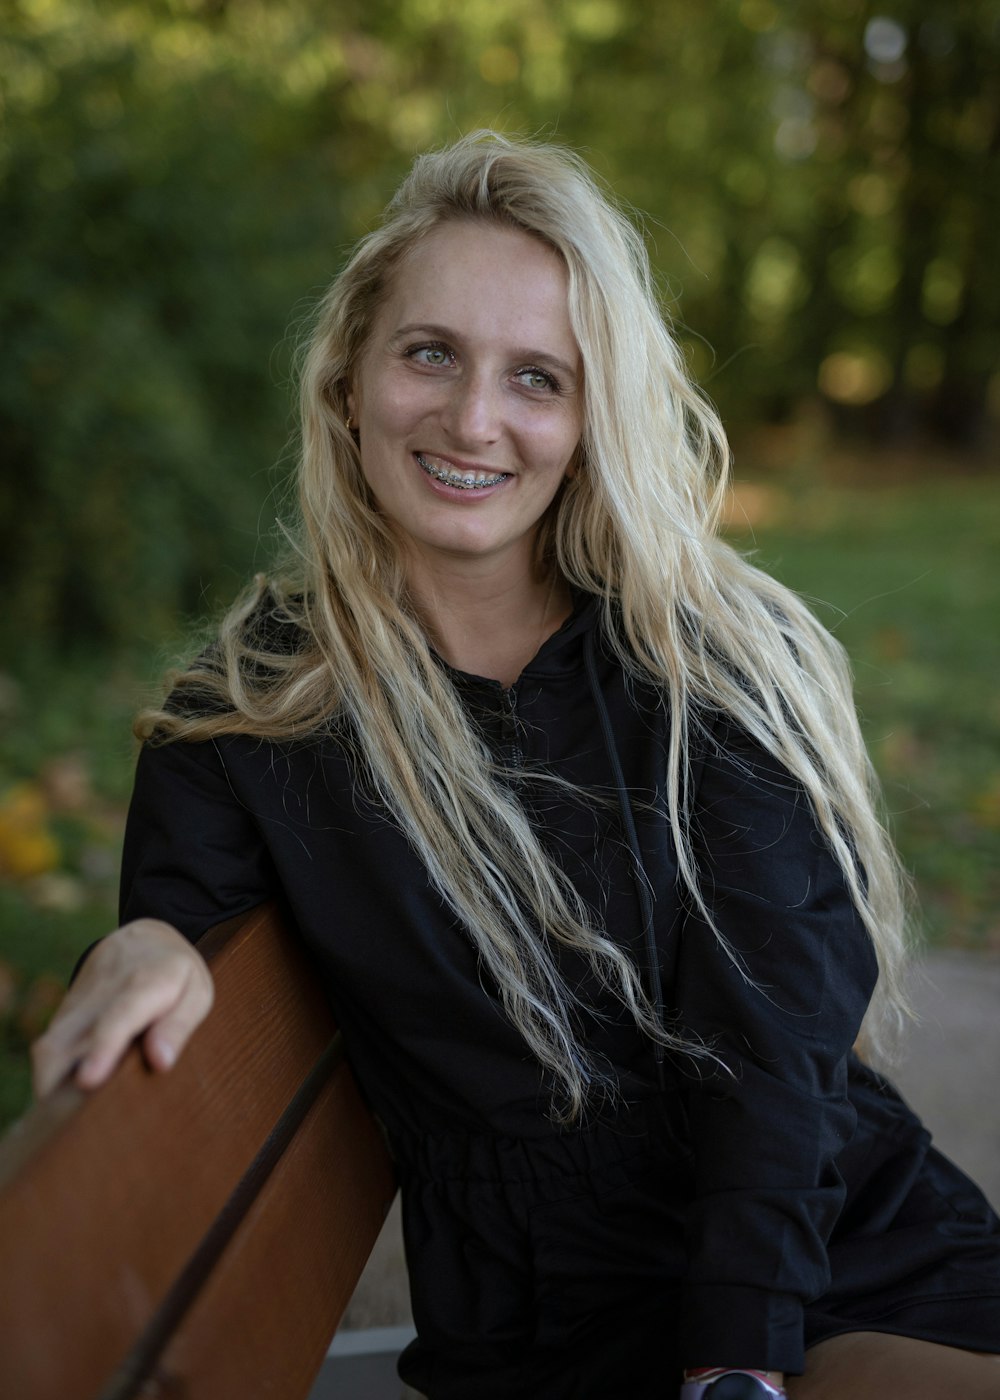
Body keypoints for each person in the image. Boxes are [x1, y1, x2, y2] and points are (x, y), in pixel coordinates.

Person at [31, 133, 1000, 1399]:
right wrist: (152, 938)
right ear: (348, 379)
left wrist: (735, 1360)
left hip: (824, 1259)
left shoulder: (702, 664)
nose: (472, 419)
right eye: (430, 351)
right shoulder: (253, 718)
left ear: (592, 418)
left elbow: (779, 1045)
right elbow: (178, 924)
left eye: (536, 376)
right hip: (562, 1328)